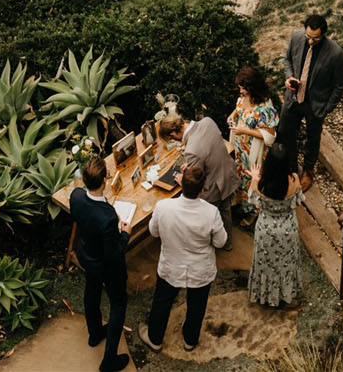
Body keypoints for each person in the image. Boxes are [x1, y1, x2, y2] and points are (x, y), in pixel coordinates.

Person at [140, 160, 227, 355]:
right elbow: (221, 242)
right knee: (196, 307)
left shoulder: (163, 207)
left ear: (181, 184)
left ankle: (154, 338)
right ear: (202, 189)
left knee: (162, 301)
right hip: (200, 269)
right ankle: (190, 340)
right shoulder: (211, 213)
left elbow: (153, 232)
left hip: (172, 266)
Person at [69, 154, 131, 372]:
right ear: (104, 180)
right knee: (118, 304)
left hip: (87, 256)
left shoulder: (76, 196)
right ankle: (109, 361)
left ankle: (95, 333)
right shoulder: (107, 218)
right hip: (107, 266)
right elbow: (114, 253)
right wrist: (125, 234)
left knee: (92, 291)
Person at [277, 14, 343, 188]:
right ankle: (292, 168)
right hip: (293, 100)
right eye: (308, 37)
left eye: (315, 39)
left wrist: (327, 108)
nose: (310, 41)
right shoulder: (296, 37)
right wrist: (289, 77)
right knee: (286, 133)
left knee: (312, 138)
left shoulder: (335, 53)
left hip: (316, 105)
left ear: (323, 35)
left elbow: (339, 85)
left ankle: (308, 170)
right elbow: (287, 60)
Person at [159, 109, 238, 249]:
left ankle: (212, 243)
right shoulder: (208, 121)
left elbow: (195, 181)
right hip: (227, 173)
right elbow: (208, 150)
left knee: (208, 217)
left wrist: (183, 178)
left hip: (214, 187)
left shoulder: (192, 150)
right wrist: (191, 165)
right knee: (225, 210)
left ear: (172, 134)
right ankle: (228, 242)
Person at [247, 143, 303, 308]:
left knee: (265, 264)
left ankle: (265, 295)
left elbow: (252, 200)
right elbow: (297, 201)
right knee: (286, 263)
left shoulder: (261, 184)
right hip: (288, 229)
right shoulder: (294, 180)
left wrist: (254, 177)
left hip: (266, 230)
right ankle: (285, 294)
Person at [227, 65, 279, 214]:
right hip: (239, 148)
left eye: (243, 89)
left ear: (253, 88)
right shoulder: (244, 96)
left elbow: (270, 135)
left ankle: (252, 211)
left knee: (251, 179)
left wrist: (245, 131)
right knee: (239, 175)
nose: (240, 92)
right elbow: (240, 108)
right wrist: (233, 115)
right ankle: (239, 202)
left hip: (253, 152)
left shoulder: (265, 108)